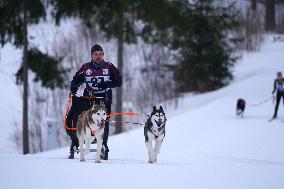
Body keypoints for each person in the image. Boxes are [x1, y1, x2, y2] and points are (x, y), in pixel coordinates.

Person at [65, 44, 122, 159]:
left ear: (103, 55)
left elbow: (119, 81)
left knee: (103, 121)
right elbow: (76, 79)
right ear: (91, 55)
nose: (98, 56)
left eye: (100, 54)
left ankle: (103, 144)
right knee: (84, 119)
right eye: (96, 54)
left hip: (104, 98)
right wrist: (74, 87)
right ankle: (77, 141)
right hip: (89, 98)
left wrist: (107, 84)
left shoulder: (109, 67)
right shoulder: (86, 68)